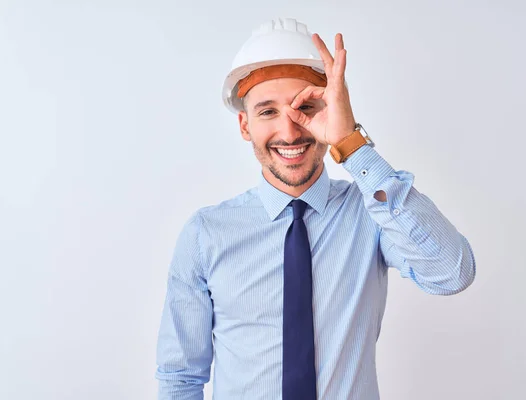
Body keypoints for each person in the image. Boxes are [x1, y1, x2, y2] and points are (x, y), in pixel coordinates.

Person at [155, 17, 476, 400]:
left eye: (305, 107)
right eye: (268, 112)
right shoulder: (206, 233)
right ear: (244, 125)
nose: (290, 132)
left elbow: (451, 272)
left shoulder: (371, 213)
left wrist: (351, 144)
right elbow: (181, 378)